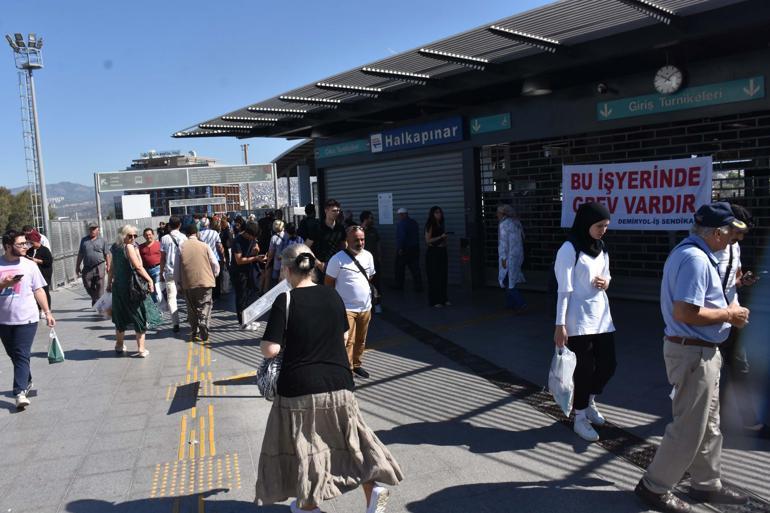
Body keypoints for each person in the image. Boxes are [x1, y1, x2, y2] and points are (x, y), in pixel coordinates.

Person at [255, 243, 402, 511]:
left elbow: (271, 349)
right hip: (340, 382)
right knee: (352, 441)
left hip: (300, 387)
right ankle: (373, 490)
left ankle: (309, 506)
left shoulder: (285, 300)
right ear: (312, 268)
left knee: (307, 447)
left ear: (287, 270)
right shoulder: (333, 297)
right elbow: (344, 336)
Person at [635, 202, 751, 513]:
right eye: (729, 234)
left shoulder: (700, 254)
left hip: (700, 350)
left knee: (708, 424)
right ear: (716, 233)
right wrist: (729, 314)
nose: (732, 240)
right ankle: (654, 486)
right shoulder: (695, 260)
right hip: (692, 352)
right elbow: (685, 311)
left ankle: (705, 484)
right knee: (689, 426)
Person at [553, 202, 615, 442]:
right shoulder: (569, 249)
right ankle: (579, 417)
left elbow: (608, 273)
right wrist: (560, 325)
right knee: (584, 369)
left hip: (602, 318)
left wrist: (606, 282)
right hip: (577, 321)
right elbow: (564, 290)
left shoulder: (601, 247)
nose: (603, 230)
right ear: (586, 223)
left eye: (606, 226)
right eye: (599, 226)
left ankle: (589, 402)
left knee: (609, 364)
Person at [714, 204, 763, 434]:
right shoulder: (707, 249)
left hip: (732, 316)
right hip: (709, 320)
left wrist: (745, 281)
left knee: (740, 367)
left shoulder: (734, 249)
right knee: (706, 371)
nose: (741, 238)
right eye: (739, 232)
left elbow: (736, 278)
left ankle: (749, 420)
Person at [0, 229, 55, 410]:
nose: (25, 247)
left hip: (27, 318)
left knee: (22, 353)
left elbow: (38, 289)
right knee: (14, 354)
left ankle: (20, 392)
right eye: (21, 244)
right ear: (8, 246)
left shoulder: (29, 265)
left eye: (26, 243)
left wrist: (47, 312)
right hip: (4, 320)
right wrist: (4, 284)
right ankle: (27, 378)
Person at [325, 226, 376, 379]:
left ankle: (356, 365)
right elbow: (329, 283)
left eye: (362, 239)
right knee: (348, 341)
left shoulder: (368, 256)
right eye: (356, 240)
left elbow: (370, 276)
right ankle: (346, 370)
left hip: (365, 307)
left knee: (361, 340)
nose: (360, 243)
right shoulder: (337, 259)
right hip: (346, 308)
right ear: (347, 240)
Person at [105, 225, 161, 358]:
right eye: (130, 236)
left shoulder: (115, 247)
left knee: (120, 316)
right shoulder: (129, 247)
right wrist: (150, 280)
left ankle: (119, 345)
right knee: (139, 315)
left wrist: (109, 283)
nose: (133, 238)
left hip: (118, 287)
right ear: (123, 235)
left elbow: (112, 268)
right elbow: (138, 266)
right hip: (132, 288)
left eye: (135, 236)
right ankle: (141, 349)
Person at [176, 224, 220, 341]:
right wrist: (214, 274)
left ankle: (194, 330)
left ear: (186, 234)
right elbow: (215, 263)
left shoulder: (181, 247)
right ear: (197, 233)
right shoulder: (204, 246)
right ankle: (203, 321)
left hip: (188, 282)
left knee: (191, 307)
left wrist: (178, 283)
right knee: (206, 304)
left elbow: (177, 268)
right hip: (205, 281)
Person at [306, 199, 346, 282]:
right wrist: (318, 263)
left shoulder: (340, 228)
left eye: (338, 210)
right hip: (320, 267)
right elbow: (306, 247)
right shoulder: (317, 227)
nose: (337, 213)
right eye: (334, 211)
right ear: (326, 211)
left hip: (337, 265)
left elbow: (344, 245)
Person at [231, 221, 263, 325]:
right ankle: (243, 322)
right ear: (247, 233)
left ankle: (249, 319)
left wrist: (256, 251)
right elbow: (239, 260)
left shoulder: (253, 239)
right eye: (253, 237)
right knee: (241, 297)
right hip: (239, 273)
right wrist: (255, 258)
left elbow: (253, 251)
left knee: (251, 295)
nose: (254, 239)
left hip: (250, 271)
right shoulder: (237, 241)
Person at [159, 216, 188, 333]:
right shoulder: (184, 238)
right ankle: (189, 316)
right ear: (180, 225)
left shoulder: (164, 238)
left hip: (170, 271)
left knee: (171, 298)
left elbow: (162, 258)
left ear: (169, 225)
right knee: (187, 296)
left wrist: (161, 272)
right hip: (182, 271)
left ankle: (175, 323)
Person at [497, 204, 526, 311]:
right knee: (510, 279)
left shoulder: (504, 225)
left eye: (498, 213)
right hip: (517, 256)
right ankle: (510, 304)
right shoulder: (516, 222)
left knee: (508, 282)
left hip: (509, 256)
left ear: (503, 214)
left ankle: (520, 303)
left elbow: (504, 243)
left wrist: (504, 258)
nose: (497, 215)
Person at [75, 222, 111, 306]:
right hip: (87, 266)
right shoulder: (84, 240)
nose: (92, 230)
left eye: (94, 229)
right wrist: (77, 266)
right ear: (88, 230)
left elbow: (107, 254)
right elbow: (80, 254)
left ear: (98, 229)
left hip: (100, 265)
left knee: (100, 284)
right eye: (91, 229)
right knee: (87, 283)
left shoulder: (102, 240)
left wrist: (108, 265)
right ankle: (95, 298)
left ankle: (100, 304)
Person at [424, 206, 449, 307]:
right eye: (436, 213)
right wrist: (440, 237)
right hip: (433, 253)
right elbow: (428, 240)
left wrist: (445, 241)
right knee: (435, 276)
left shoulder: (441, 224)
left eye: (440, 212)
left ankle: (443, 298)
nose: (439, 214)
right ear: (432, 214)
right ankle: (435, 300)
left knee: (443, 275)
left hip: (442, 251)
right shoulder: (430, 225)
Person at [394, 208, 423, 291]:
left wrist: (400, 248)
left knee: (399, 268)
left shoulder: (402, 223)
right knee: (415, 268)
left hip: (405, 249)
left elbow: (402, 237)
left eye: (399, 215)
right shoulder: (414, 222)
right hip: (415, 248)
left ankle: (399, 285)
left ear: (403, 214)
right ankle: (418, 286)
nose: (399, 217)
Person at [26, 230, 53, 314]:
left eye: (32, 242)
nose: (31, 244)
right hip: (33, 275)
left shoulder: (45, 250)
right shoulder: (30, 250)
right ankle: (38, 308)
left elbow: (48, 262)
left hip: (44, 274)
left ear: (37, 241)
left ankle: (46, 309)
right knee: (35, 291)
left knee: (44, 291)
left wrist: (36, 260)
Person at [360, 211, 383, 314]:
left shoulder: (374, 230)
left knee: (376, 284)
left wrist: (379, 256)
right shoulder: (358, 231)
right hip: (361, 263)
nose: (372, 220)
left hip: (374, 262)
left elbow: (378, 243)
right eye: (371, 218)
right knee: (363, 285)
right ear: (365, 219)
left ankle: (377, 304)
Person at [198, 217, 225, 299]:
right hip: (216, 258)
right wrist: (223, 257)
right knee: (217, 277)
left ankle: (208, 293)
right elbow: (219, 246)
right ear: (209, 224)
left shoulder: (198, 234)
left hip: (204, 259)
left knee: (206, 277)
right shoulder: (214, 233)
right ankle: (217, 295)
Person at [139, 228, 162, 303]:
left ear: (153, 235)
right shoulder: (141, 247)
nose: (148, 236)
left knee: (157, 288)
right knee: (150, 289)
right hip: (146, 271)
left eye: (149, 234)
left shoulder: (159, 244)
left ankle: (160, 307)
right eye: (146, 235)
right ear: (143, 236)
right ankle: (155, 307)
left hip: (157, 269)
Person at [264, 219, 285, 292]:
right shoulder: (287, 235)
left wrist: (267, 263)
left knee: (276, 282)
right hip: (287, 263)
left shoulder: (274, 238)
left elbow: (271, 254)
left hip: (277, 264)